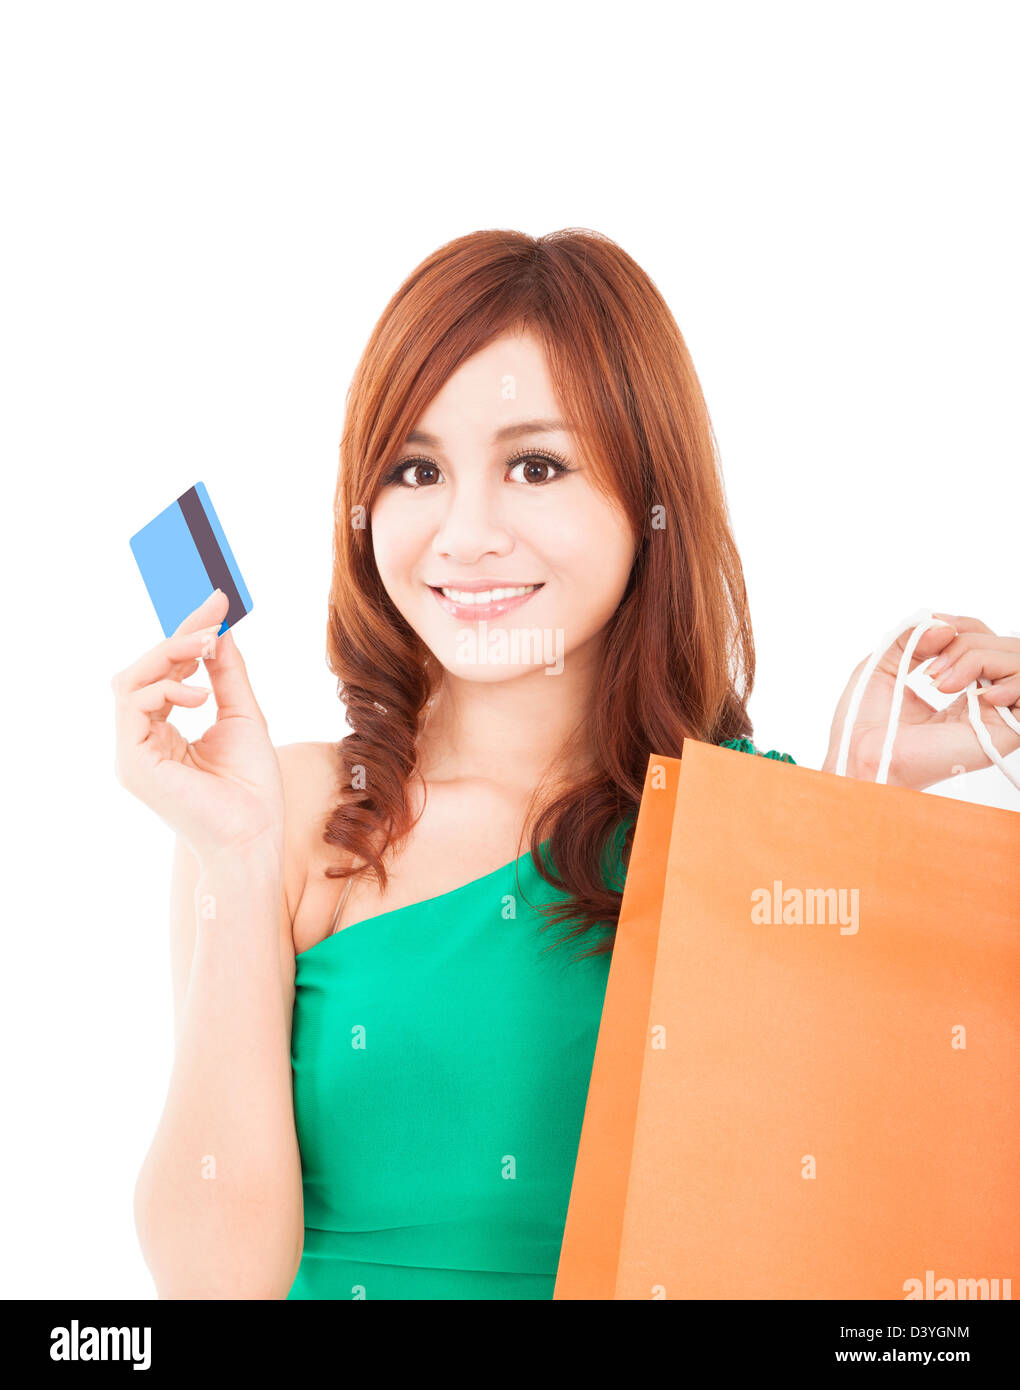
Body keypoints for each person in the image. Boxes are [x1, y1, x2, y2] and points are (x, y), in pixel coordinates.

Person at [113, 228, 1020, 1300]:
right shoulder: (292, 814)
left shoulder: (748, 825)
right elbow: (213, 1288)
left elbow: (840, 1228)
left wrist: (865, 811)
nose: (466, 532)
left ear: (648, 500)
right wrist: (233, 855)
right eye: (415, 469)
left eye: (535, 466)